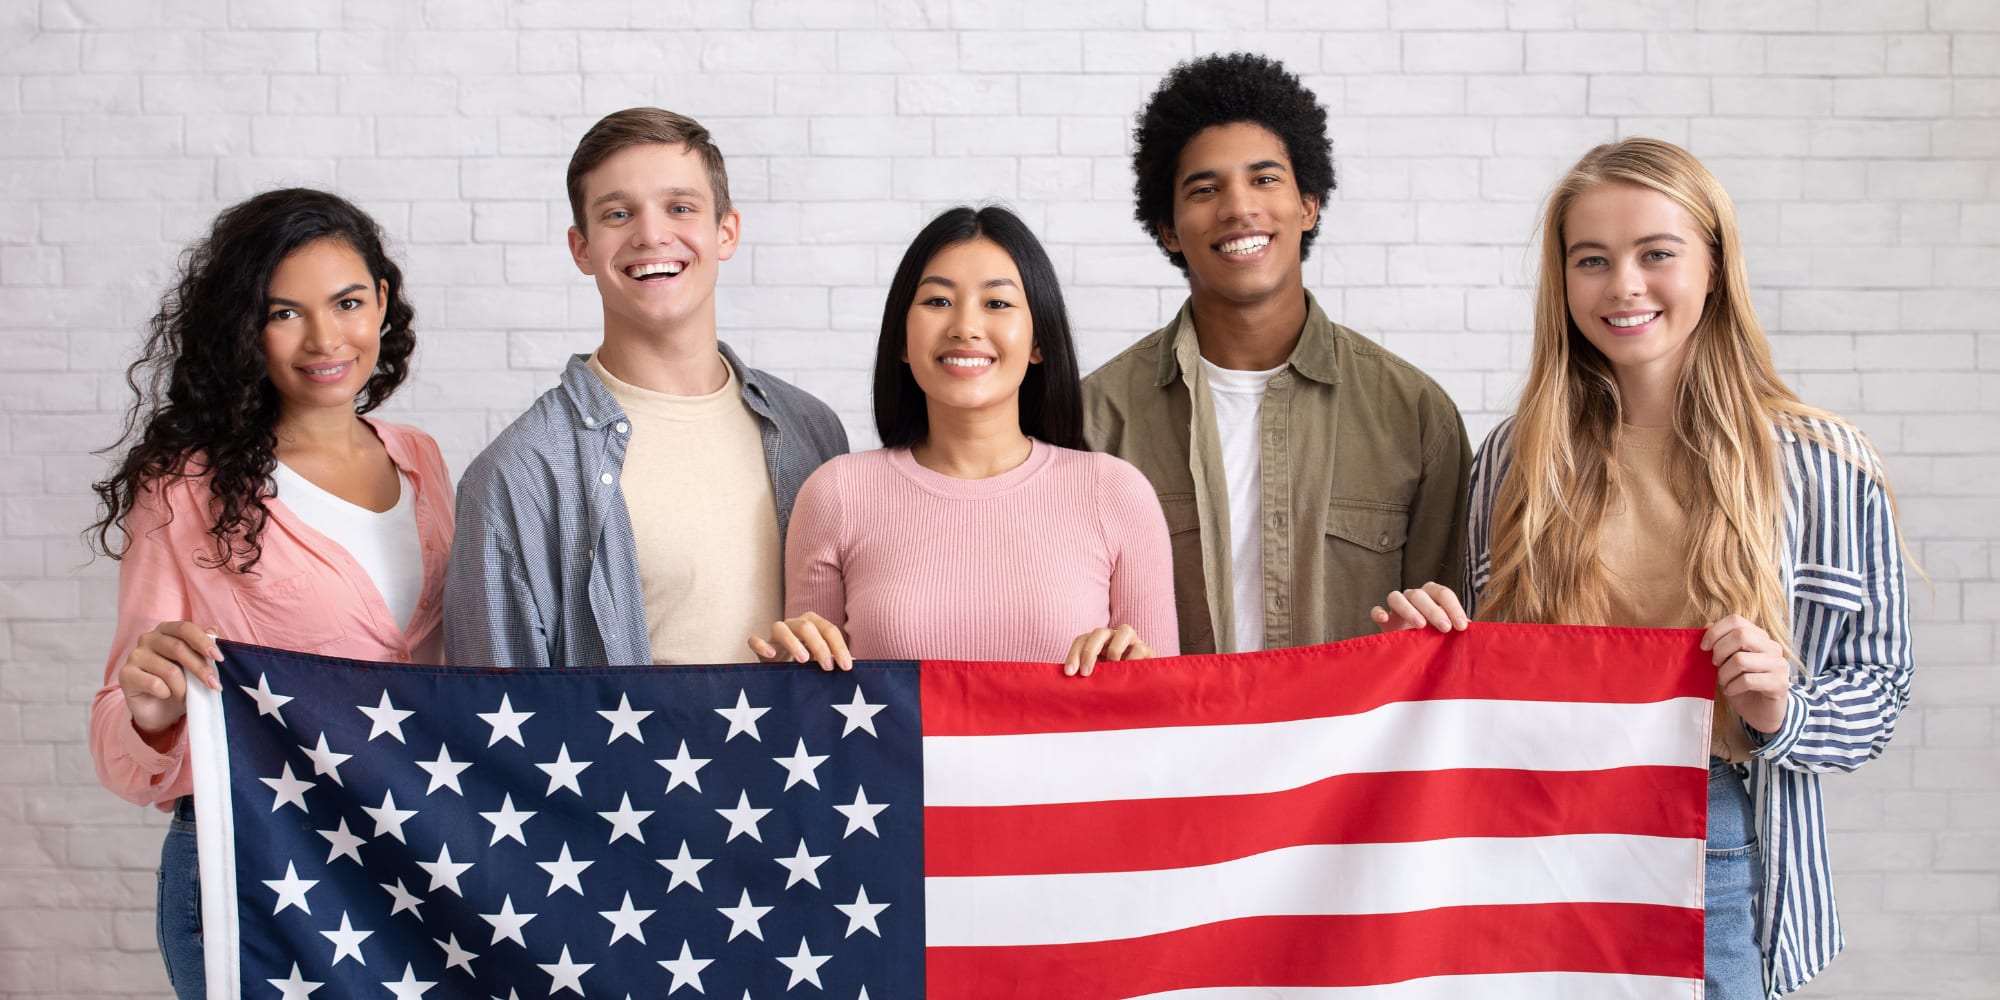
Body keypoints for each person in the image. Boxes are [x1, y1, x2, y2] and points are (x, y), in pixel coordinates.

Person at [1373, 138, 1914, 999]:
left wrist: (1782, 709)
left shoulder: (1821, 462)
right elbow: (1492, 693)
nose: (1624, 284)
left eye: (1656, 254)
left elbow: (1879, 694)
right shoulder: (1518, 458)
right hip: (1537, 834)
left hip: (1715, 832)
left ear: (1713, 266)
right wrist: (1430, 652)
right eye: (1592, 260)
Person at [87, 189, 452, 998]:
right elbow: (119, 724)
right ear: (243, 326)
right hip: (255, 858)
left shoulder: (421, 459)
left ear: (382, 303)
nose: (325, 339)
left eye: (348, 303)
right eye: (284, 312)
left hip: (402, 857)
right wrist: (151, 710)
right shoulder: (186, 486)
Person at [1084, 52, 1471, 656]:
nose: (1239, 207)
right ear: (1167, 228)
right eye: (1205, 189)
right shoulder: (1096, 419)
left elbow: (1453, 645)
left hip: (1353, 749)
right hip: (1170, 744)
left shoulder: (1416, 416)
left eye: (1264, 179)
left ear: (1308, 204)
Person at [447, 107, 847, 669]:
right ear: (581, 248)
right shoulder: (518, 475)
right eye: (617, 214)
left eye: (680, 207)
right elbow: (498, 721)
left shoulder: (813, 429)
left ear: (725, 231)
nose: (652, 234)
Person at [750, 206, 1176, 676]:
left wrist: (1141, 670)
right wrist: (787, 671)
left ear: (1039, 342)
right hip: (897, 753)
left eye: (997, 304)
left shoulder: (1114, 492)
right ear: (901, 340)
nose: (965, 327)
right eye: (937, 302)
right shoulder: (836, 492)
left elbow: (1160, 717)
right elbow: (819, 703)